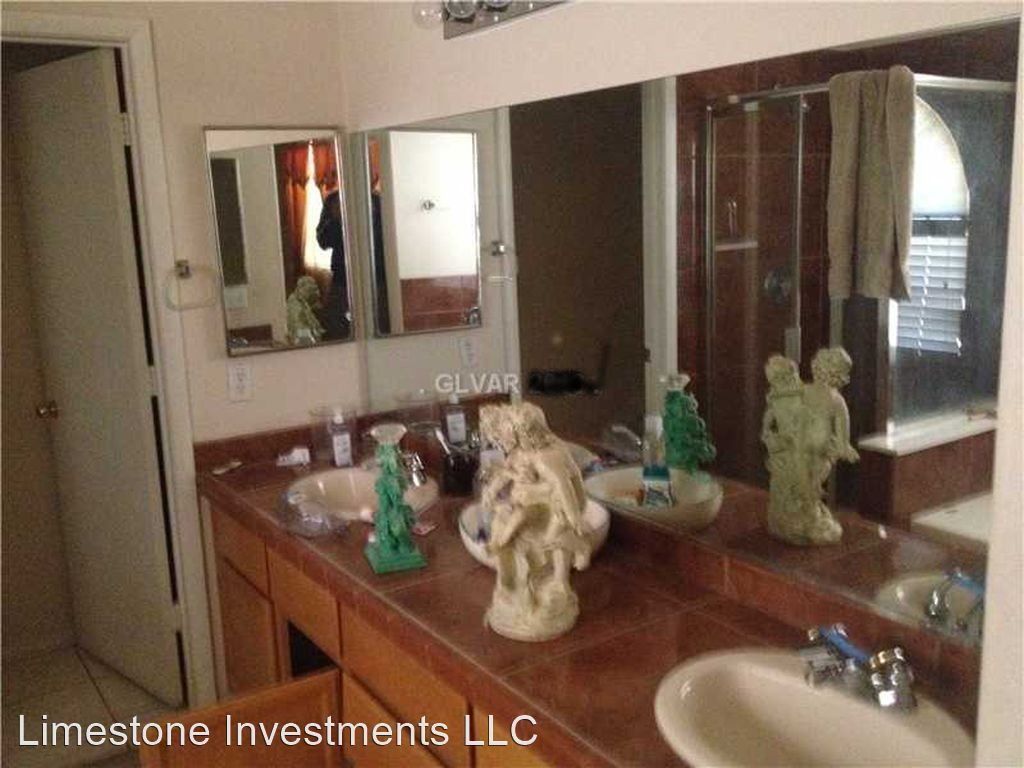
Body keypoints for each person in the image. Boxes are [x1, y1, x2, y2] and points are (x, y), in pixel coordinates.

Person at [315, 189, 351, 339]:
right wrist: (336, 219)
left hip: (377, 278)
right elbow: (323, 241)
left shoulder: (376, 201)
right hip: (341, 277)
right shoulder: (333, 200)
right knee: (334, 327)